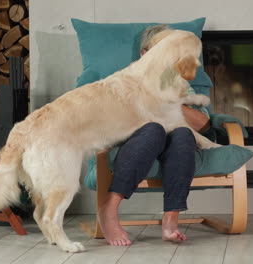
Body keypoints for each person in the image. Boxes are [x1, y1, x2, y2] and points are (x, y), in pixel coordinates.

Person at [97, 25, 211, 246]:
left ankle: (171, 218)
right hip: (138, 139)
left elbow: (203, 124)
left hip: (175, 140)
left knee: (183, 134)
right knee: (153, 129)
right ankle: (109, 208)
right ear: (143, 55)